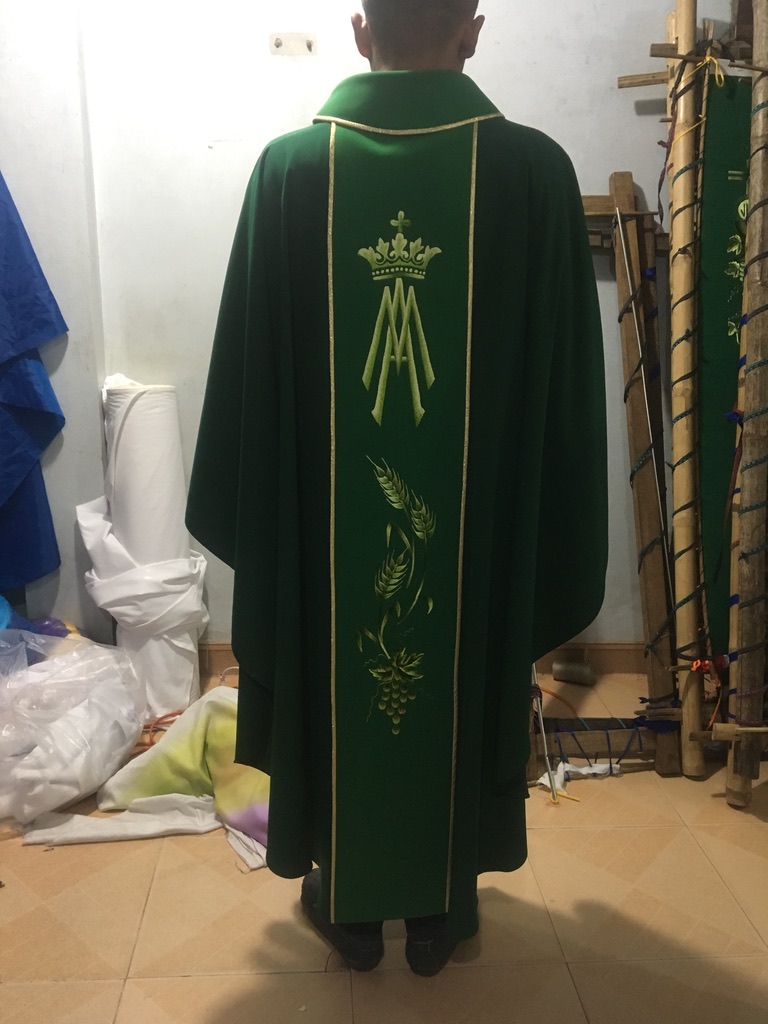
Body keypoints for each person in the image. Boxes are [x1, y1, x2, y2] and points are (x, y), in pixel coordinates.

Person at [186, 0, 608, 977]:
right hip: (473, 554)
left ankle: (345, 895)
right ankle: (437, 909)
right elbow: (563, 414)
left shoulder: (289, 174)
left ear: (360, 30)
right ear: (474, 30)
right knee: (456, 648)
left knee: (339, 654)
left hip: (325, 558)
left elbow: (248, 402)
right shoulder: (536, 177)